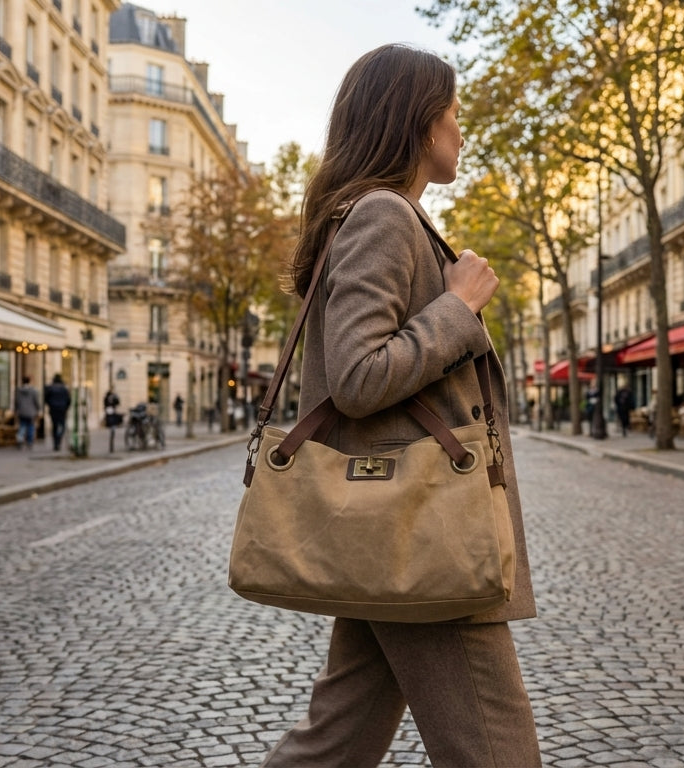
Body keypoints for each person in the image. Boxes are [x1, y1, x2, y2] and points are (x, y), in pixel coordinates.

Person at [259, 44, 539, 766]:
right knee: (496, 751)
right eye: (452, 113)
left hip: (386, 525)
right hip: (417, 523)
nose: (462, 131)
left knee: (336, 741)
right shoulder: (385, 215)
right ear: (417, 123)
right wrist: (457, 307)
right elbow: (356, 376)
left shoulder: (381, 214)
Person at [44, 374, 71, 451]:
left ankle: (56, 442)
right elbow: (69, 400)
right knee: (62, 425)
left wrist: (50, 404)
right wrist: (66, 407)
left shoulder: (50, 388)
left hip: (53, 409)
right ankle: (58, 439)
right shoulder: (64, 388)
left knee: (54, 426)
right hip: (62, 409)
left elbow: (46, 398)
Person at [14, 376, 40, 450]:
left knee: (22, 426)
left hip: (21, 411)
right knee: (31, 427)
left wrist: (16, 410)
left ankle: (20, 439)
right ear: (29, 381)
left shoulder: (18, 390)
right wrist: (38, 409)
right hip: (31, 412)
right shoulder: (33, 391)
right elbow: (36, 401)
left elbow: (17, 401)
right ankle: (29, 442)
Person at [103, 386, 122, 453]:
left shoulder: (113, 396)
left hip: (112, 413)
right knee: (111, 427)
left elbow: (118, 403)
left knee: (113, 429)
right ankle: (111, 447)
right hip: (109, 414)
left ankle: (111, 447)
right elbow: (105, 404)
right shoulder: (107, 396)